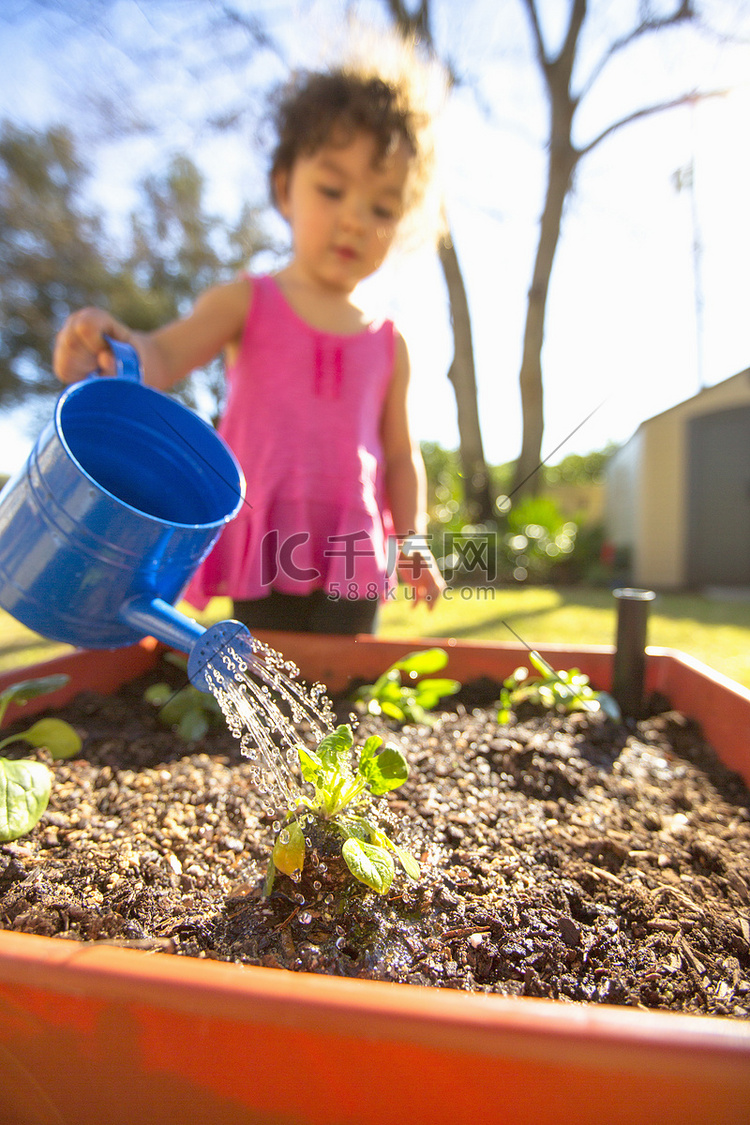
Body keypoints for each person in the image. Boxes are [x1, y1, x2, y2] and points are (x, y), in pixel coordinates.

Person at [53, 62, 446, 635]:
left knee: (348, 684)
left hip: (355, 540)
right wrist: (113, 348)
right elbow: (161, 356)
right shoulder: (245, 302)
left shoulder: (390, 341)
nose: (355, 219)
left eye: (382, 207)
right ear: (285, 187)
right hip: (266, 533)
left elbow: (401, 455)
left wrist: (413, 539)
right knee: (268, 677)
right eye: (332, 190)